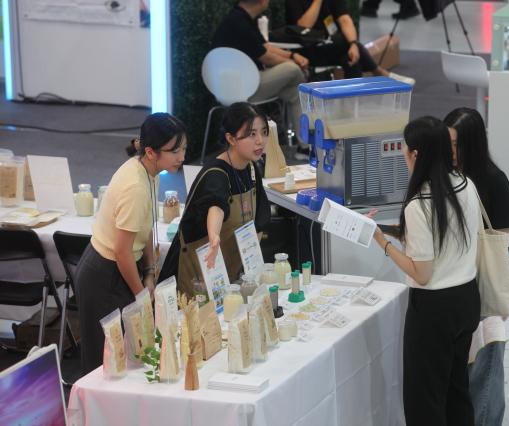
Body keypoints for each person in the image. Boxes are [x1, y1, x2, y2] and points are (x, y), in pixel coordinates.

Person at [370, 116, 481, 425]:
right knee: (456, 391)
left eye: (405, 151)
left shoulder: (419, 204)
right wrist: (395, 233)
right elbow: (447, 238)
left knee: (424, 402)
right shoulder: (465, 184)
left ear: (416, 154)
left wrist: (383, 243)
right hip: (467, 299)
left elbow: (422, 273)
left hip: (434, 311)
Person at [75, 113, 187, 374]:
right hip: (103, 274)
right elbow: (122, 251)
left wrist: (149, 273)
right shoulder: (135, 185)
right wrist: (140, 294)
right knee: (106, 361)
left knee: (132, 353)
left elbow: (145, 225)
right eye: (174, 151)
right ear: (150, 151)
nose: (181, 157)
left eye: (184, 148)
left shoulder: (152, 172)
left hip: (121, 267)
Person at [444, 107, 509, 426]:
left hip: (485, 291)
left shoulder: (494, 182)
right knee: (459, 376)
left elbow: (503, 247)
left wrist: (504, 293)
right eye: (446, 142)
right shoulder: (446, 177)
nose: (451, 151)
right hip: (451, 289)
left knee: (485, 376)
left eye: (457, 144)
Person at [159, 103, 271, 294]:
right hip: (198, 276)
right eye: (251, 134)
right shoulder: (216, 173)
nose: (260, 140)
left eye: (264, 132)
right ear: (231, 138)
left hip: (229, 273)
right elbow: (216, 206)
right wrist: (214, 236)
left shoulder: (251, 168)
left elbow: (260, 219)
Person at [211, 0, 309, 156]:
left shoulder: (239, 18)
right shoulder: (239, 22)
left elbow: (266, 47)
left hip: (240, 83)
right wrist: (294, 62)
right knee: (293, 71)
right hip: (242, 87)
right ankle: (305, 146)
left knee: (294, 90)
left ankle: (305, 147)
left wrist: (293, 55)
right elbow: (266, 56)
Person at [286, 0, 415, 84]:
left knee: (352, 57)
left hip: (330, 46)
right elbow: (303, 26)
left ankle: (351, 103)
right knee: (343, 42)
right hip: (305, 49)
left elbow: (345, 19)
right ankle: (380, 73)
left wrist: (353, 44)